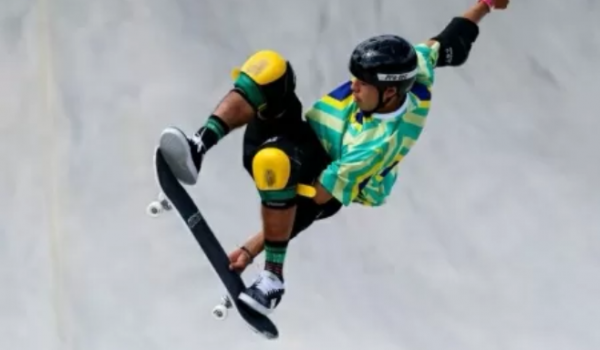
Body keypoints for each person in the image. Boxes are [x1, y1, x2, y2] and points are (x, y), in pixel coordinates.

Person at [157, 0, 509, 316]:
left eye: (362, 84)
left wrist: (250, 250)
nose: (353, 87)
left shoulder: (374, 147)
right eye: (354, 78)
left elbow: (308, 207)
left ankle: (273, 280)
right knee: (269, 67)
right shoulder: (414, 68)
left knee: (275, 166)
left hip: (319, 180)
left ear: (388, 93)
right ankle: (198, 146)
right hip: (297, 136)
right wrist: (485, 5)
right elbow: (453, 40)